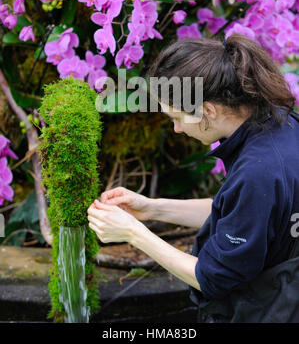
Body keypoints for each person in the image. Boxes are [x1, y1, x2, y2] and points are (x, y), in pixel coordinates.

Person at [87, 33, 299, 323]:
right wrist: (152, 208)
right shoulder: (280, 120)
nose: (176, 128)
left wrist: (133, 233)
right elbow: (244, 212)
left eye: (177, 117)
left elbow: (213, 277)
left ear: (208, 110)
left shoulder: (258, 172)